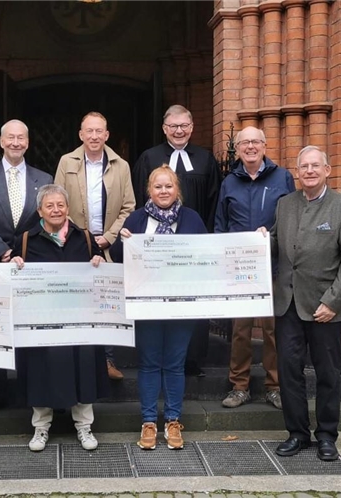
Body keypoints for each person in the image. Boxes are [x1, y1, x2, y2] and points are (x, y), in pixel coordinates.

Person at [261, 145, 341, 461]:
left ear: (327, 170)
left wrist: (333, 300)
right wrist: (261, 240)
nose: (309, 171)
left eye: (315, 165)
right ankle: (297, 433)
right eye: (303, 166)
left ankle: (327, 435)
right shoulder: (285, 205)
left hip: (325, 307)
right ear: (297, 172)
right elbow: (276, 244)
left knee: (328, 373)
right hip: (288, 304)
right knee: (289, 371)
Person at [111, 165, 207, 451]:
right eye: (157, 187)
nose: (163, 191)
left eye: (168, 186)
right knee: (150, 364)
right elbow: (117, 256)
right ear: (148, 191)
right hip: (147, 305)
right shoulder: (137, 219)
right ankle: (149, 421)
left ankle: (174, 420)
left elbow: (205, 257)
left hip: (181, 305)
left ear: (177, 189)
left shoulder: (192, 219)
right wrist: (124, 241)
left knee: (175, 364)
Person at [10, 184, 109, 452]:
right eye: (50, 206)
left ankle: (84, 426)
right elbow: (13, 277)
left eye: (60, 205)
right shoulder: (27, 239)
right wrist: (14, 268)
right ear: (40, 210)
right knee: (40, 369)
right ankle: (41, 428)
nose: (56, 210)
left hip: (80, 320)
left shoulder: (84, 237)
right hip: (43, 321)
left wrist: (99, 262)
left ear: (68, 208)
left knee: (83, 367)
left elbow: (100, 270)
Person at [0, 119, 53, 416]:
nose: (16, 143)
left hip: (31, 263)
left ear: (27, 143)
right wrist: (1, 250)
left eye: (21, 138)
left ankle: (33, 390)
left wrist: (24, 252)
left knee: (31, 327)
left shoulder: (43, 178)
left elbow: (47, 219)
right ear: (1, 141)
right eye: (10, 138)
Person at [132, 105, 222, 378]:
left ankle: (191, 359)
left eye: (184, 125)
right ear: (164, 128)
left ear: (192, 128)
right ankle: (154, 358)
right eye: (173, 126)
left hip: (193, 247)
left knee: (190, 302)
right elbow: (139, 200)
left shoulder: (206, 159)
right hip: (154, 250)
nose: (179, 130)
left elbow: (214, 201)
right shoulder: (150, 158)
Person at [215, 126, 296, 410]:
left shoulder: (282, 177)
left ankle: (275, 386)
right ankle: (239, 386)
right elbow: (220, 224)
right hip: (239, 268)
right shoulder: (229, 182)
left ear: (264, 145)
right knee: (240, 329)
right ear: (237, 149)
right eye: (244, 143)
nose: (250, 147)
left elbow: (292, 217)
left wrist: (272, 235)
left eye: (255, 142)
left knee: (274, 329)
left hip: (273, 265)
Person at [54, 111, 135, 381]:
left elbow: (128, 207)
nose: (94, 136)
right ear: (81, 134)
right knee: (77, 302)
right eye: (89, 131)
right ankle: (80, 360)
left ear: (107, 135)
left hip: (108, 242)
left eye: (99, 131)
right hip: (76, 242)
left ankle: (108, 360)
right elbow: (57, 202)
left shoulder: (120, 165)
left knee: (107, 302)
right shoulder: (67, 162)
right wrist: (81, 237)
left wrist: (109, 236)